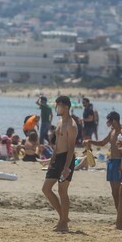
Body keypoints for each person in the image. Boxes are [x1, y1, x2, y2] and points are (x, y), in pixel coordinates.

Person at [42, 96, 78, 233]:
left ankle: (63, 223)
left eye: (59, 106)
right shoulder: (59, 122)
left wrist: (66, 167)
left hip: (66, 159)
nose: (56, 108)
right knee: (46, 189)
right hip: (57, 158)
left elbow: (71, 148)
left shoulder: (72, 125)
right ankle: (64, 217)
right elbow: (57, 144)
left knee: (62, 191)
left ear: (66, 107)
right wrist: (52, 160)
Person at [84, 112, 122, 210]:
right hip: (111, 162)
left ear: (114, 120)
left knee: (119, 192)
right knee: (114, 193)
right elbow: (103, 143)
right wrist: (90, 141)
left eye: (109, 121)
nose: (108, 123)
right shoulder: (112, 131)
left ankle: (121, 218)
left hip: (119, 162)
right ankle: (119, 216)